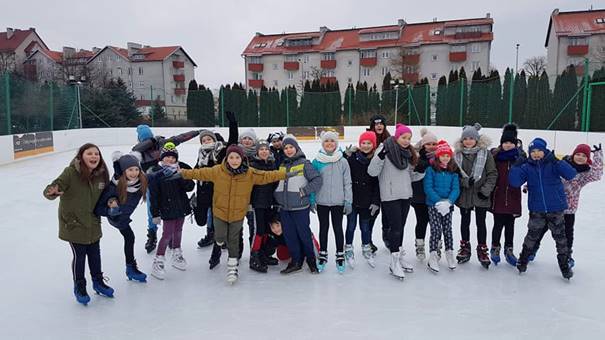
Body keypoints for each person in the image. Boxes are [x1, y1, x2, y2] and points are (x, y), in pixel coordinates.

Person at [179, 145, 287, 283]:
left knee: (233, 240)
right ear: (227, 158)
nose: (234, 160)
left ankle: (232, 267)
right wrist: (183, 172)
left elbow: (267, 176)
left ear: (242, 159)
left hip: (238, 214)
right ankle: (219, 242)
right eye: (231, 157)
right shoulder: (218, 171)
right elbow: (199, 173)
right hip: (220, 212)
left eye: (237, 158)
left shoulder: (250, 173)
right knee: (220, 237)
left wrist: (285, 174)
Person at [43, 143, 114, 305]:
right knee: (80, 256)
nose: (94, 156)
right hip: (74, 224)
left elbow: (107, 194)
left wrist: (112, 201)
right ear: (81, 156)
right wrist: (51, 192)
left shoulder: (101, 174)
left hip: (93, 222)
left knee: (95, 255)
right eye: (89, 153)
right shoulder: (70, 173)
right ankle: (80, 286)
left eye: (96, 154)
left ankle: (98, 282)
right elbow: (54, 186)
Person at [509, 138, 577, 279]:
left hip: (556, 209)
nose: (536, 154)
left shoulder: (553, 164)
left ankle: (564, 267)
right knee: (531, 237)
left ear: (545, 151)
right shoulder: (527, 167)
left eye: (539, 150)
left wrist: (557, 161)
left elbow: (571, 174)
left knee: (561, 240)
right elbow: (515, 182)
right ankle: (523, 261)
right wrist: (515, 166)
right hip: (537, 210)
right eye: (533, 151)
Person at [530, 143, 602, 267]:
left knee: (568, 234)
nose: (580, 157)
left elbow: (597, 175)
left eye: (584, 156)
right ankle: (532, 249)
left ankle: (567, 256)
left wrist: (598, 155)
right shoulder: (563, 166)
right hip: (552, 206)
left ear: (587, 159)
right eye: (578, 154)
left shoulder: (584, 174)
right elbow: (545, 177)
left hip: (569, 210)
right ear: (573, 155)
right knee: (541, 229)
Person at [131, 125, 200, 253]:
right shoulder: (139, 150)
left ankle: (171, 236)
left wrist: (196, 132)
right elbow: (134, 152)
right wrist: (152, 141)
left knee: (171, 206)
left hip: (169, 179)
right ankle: (152, 235)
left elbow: (181, 138)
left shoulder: (161, 144)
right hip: (152, 182)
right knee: (152, 210)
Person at [368, 123, 424, 280]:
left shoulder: (407, 153)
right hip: (390, 195)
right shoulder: (384, 149)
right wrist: (380, 156)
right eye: (403, 137)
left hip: (405, 195)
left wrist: (421, 171)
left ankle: (398, 256)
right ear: (396, 137)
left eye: (409, 138)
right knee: (396, 228)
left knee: (402, 227)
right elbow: (372, 172)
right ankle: (393, 262)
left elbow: (410, 176)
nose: (406, 141)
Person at [274, 135, 323, 275]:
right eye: (286, 148)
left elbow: (317, 180)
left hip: (300, 208)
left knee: (304, 235)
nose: (288, 150)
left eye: (291, 147)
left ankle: (311, 260)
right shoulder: (282, 165)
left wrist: (304, 191)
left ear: (296, 148)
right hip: (284, 208)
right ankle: (296, 261)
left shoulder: (304, 163)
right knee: (290, 236)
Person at [453, 123, 498, 269]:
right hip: (465, 195)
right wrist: (465, 182)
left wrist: (485, 191)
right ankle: (465, 247)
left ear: (477, 140)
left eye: (472, 138)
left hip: (480, 195)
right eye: (466, 138)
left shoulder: (486, 154)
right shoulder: (457, 155)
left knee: (481, 223)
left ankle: (482, 249)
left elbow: (492, 174)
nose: (468, 141)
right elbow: (454, 175)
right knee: (464, 222)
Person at [149, 143, 195, 280]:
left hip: (180, 207)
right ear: (162, 158)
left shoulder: (180, 170)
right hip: (167, 209)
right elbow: (154, 196)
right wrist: (155, 213)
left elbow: (190, 187)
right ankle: (158, 259)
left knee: (178, 231)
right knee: (167, 234)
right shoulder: (156, 174)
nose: (170, 160)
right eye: (167, 157)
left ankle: (176, 253)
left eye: (173, 157)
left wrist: (182, 176)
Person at [192, 111, 238, 249]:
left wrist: (233, 123)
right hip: (203, 191)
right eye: (204, 140)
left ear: (214, 140)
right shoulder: (201, 155)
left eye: (209, 139)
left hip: (218, 191)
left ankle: (217, 237)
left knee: (218, 216)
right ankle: (212, 233)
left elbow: (233, 142)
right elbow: (195, 171)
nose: (206, 142)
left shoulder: (220, 152)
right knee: (201, 220)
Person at [311, 130, 353, 274]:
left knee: (337, 228)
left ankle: (340, 255)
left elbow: (348, 183)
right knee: (323, 228)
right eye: (327, 141)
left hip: (338, 201)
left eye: (332, 141)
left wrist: (348, 201)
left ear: (336, 143)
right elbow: (312, 182)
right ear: (323, 143)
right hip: (322, 201)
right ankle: (323, 255)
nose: (329, 143)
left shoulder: (342, 161)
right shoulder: (316, 161)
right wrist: (312, 199)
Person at [489, 124, 525, 266]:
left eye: (511, 143)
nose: (508, 145)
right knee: (497, 224)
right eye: (505, 142)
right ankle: (495, 247)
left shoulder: (519, 158)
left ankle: (509, 249)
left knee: (510, 225)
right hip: (498, 196)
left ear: (515, 144)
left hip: (513, 196)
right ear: (501, 143)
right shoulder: (496, 156)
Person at [344, 131, 380, 268]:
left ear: (373, 145)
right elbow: (345, 175)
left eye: (369, 143)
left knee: (365, 227)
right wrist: (344, 155)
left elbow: (377, 184)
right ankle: (348, 248)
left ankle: (366, 247)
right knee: (351, 226)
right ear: (359, 144)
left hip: (367, 201)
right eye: (363, 143)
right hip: (352, 200)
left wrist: (376, 202)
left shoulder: (375, 160)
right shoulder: (352, 158)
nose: (366, 145)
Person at [423, 140, 460, 272]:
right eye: (443, 155)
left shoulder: (453, 171)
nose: (445, 158)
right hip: (434, 205)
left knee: (447, 229)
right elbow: (428, 187)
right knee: (436, 229)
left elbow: (456, 188)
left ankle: (449, 253)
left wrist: (449, 202)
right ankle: (433, 254)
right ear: (438, 156)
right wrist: (438, 201)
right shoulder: (431, 170)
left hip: (448, 205)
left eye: (447, 155)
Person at [249, 140, 280, 273]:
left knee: (267, 230)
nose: (264, 151)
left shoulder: (272, 164)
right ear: (257, 151)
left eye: (266, 149)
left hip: (269, 202)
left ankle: (264, 254)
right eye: (261, 149)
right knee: (259, 230)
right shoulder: (252, 166)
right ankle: (254, 257)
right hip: (257, 204)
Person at [411, 127, 439, 260]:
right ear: (423, 145)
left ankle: (437, 246)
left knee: (435, 223)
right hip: (419, 196)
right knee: (422, 221)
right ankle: (420, 245)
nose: (431, 147)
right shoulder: (416, 157)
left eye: (434, 144)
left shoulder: (441, 158)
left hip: (436, 196)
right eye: (428, 144)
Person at [366, 114, 391, 252]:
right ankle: (367, 240)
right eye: (376, 124)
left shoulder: (390, 140)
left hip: (387, 181)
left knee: (387, 213)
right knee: (372, 213)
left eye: (381, 123)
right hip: (372, 183)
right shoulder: (368, 140)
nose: (379, 126)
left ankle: (387, 237)